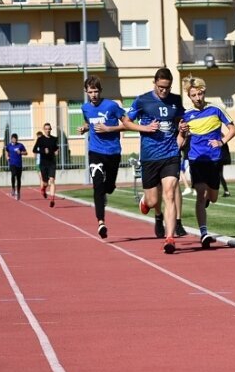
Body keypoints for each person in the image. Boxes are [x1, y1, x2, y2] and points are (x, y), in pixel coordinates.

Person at [122, 68, 186, 254]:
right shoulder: (142, 100)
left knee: (170, 193)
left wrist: (182, 127)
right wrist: (144, 127)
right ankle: (151, 207)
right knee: (153, 199)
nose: (163, 91)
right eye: (160, 87)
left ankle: (170, 238)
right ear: (154, 83)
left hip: (171, 154)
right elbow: (126, 122)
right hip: (150, 156)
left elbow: (180, 119)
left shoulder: (176, 100)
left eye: (167, 88)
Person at [178, 76, 235, 249]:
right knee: (201, 192)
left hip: (214, 159)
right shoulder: (186, 115)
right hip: (196, 158)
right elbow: (182, 137)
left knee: (213, 197)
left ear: (204, 93)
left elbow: (233, 130)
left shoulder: (216, 109)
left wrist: (221, 141)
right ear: (189, 96)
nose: (197, 98)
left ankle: (207, 200)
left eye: (199, 94)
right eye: (193, 95)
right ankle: (204, 233)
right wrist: (182, 133)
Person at [77, 76, 127, 239]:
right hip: (95, 151)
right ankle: (101, 222)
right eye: (90, 92)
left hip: (113, 152)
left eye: (96, 91)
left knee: (109, 187)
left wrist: (108, 129)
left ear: (100, 91)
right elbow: (89, 122)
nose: (93, 95)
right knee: (97, 185)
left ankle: (108, 188)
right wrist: (85, 128)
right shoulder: (85, 108)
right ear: (86, 92)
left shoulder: (112, 106)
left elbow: (127, 123)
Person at [32, 123, 59, 207]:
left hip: (52, 163)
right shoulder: (40, 139)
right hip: (43, 164)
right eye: (46, 129)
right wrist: (43, 151)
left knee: (52, 180)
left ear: (51, 129)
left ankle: (52, 200)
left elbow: (56, 147)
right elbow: (34, 150)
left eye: (49, 129)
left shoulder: (54, 139)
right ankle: (43, 189)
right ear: (44, 130)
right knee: (45, 183)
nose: (48, 130)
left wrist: (57, 151)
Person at [5, 133, 27, 200]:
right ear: (11, 139)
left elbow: (26, 152)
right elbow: (6, 151)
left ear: (17, 139)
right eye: (13, 139)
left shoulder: (20, 145)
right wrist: (7, 158)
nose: (14, 140)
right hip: (12, 163)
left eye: (15, 139)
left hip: (19, 164)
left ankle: (18, 192)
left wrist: (21, 152)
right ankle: (13, 188)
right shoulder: (9, 146)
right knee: (13, 175)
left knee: (18, 178)